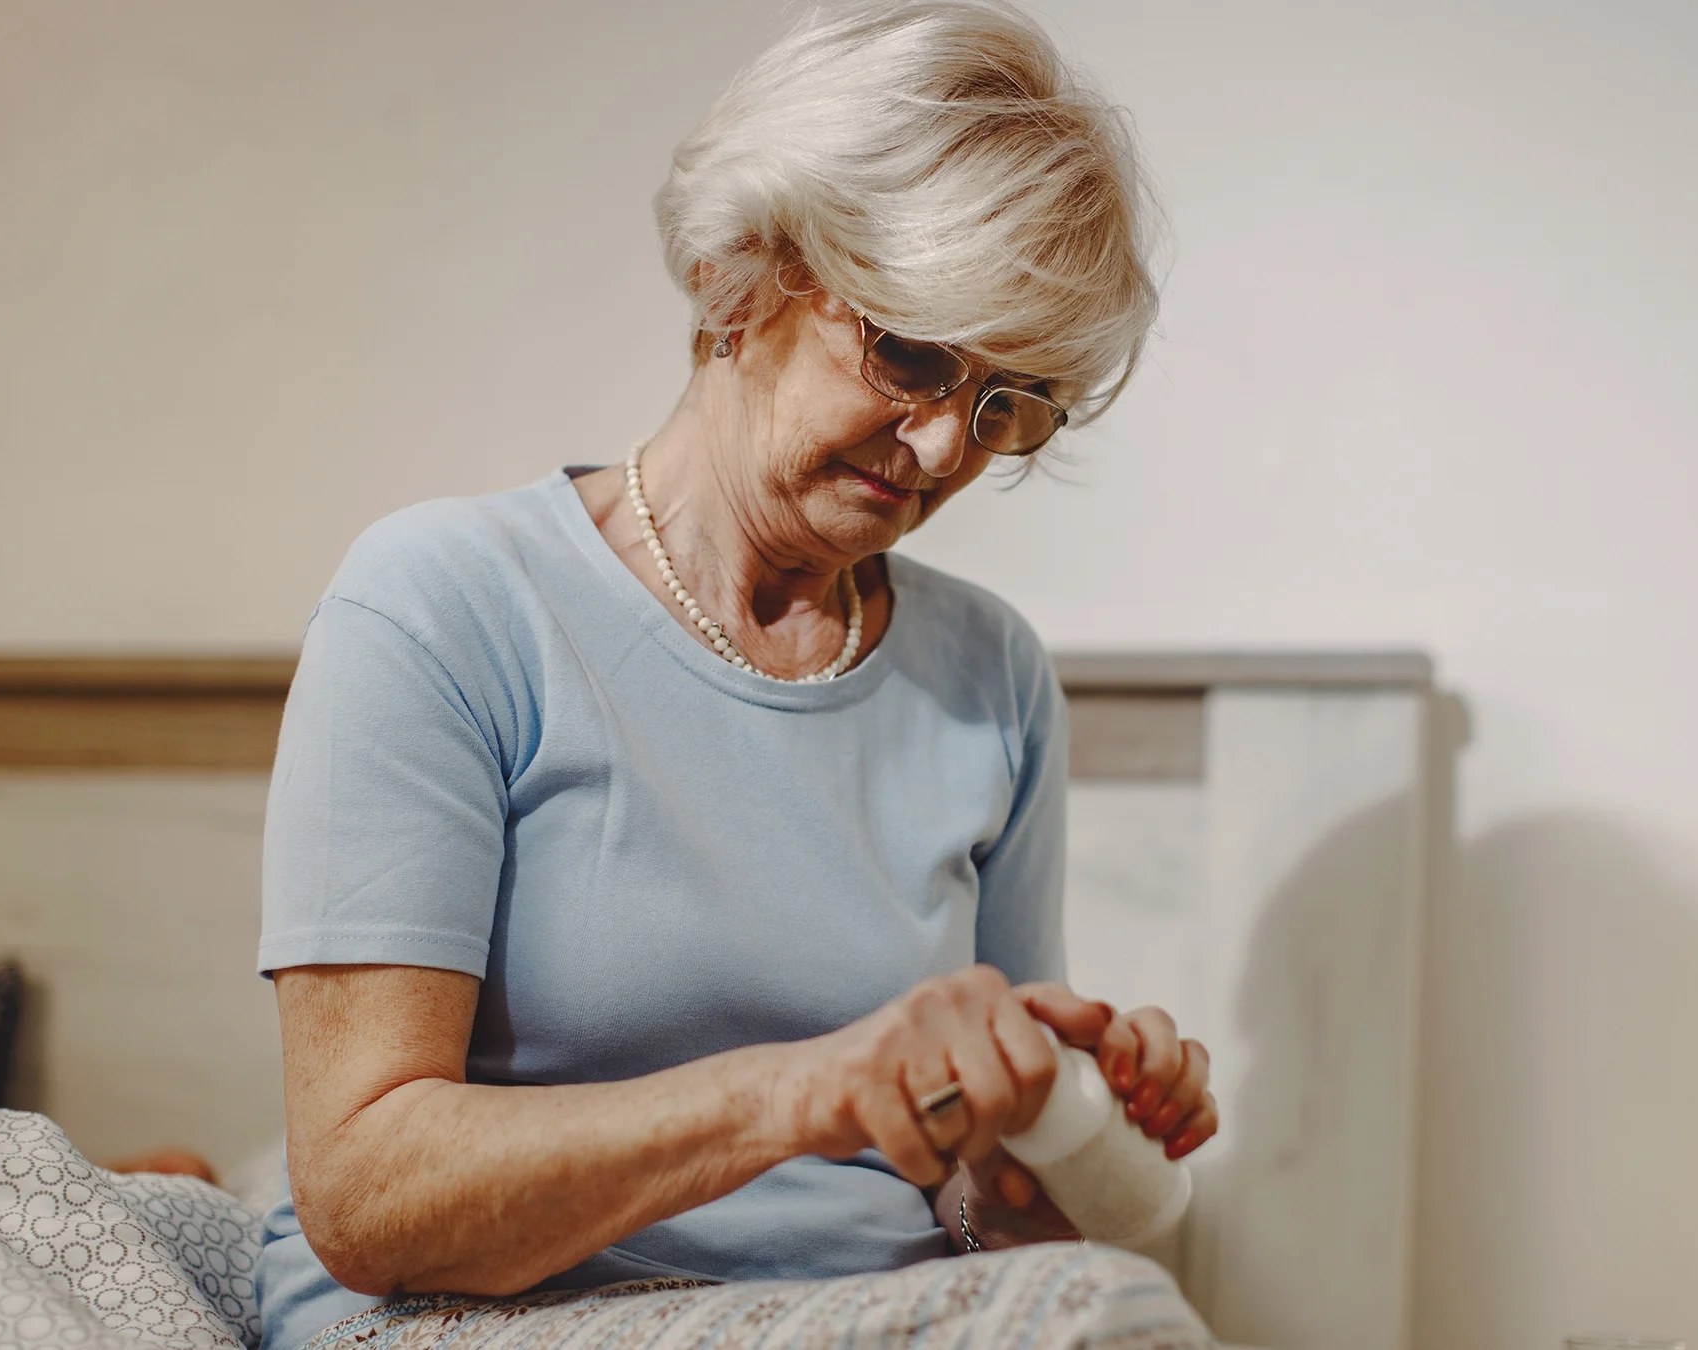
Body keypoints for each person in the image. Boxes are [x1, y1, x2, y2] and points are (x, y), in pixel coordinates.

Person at [254, 4, 1213, 1346]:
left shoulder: (990, 677)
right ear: (741, 271)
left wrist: (1050, 1147)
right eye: (913, 351)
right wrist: (809, 1092)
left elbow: (978, 1218)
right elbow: (363, 1193)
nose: (942, 447)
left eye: (1006, 403)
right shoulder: (443, 602)